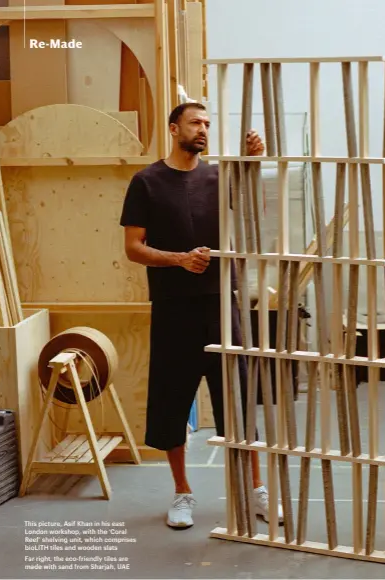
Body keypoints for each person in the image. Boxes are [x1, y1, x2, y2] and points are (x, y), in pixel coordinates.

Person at [119, 101, 283, 529]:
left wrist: (251, 166)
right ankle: (182, 492)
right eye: (195, 123)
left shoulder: (217, 177)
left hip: (220, 303)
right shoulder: (146, 182)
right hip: (174, 308)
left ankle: (255, 490)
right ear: (174, 129)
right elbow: (133, 247)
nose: (203, 129)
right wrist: (178, 260)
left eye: (208, 123)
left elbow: (252, 220)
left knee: (239, 398)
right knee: (172, 401)